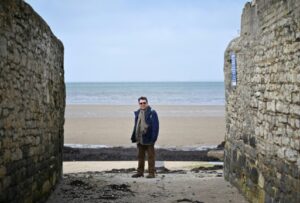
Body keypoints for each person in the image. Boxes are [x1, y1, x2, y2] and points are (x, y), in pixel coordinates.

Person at [131, 96, 159, 178]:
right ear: (139, 104)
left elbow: (156, 127)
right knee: (140, 156)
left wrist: (154, 138)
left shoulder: (152, 113)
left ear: (147, 103)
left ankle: (151, 173)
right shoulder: (137, 113)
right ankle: (140, 172)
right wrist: (134, 136)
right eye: (141, 103)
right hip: (140, 138)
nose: (142, 104)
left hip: (149, 138)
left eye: (144, 103)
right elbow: (136, 126)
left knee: (151, 156)